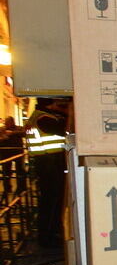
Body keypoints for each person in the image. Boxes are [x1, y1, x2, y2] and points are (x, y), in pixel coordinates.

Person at [25, 98, 70, 247]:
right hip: (49, 164)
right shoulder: (44, 118)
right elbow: (67, 128)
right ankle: (47, 237)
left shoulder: (38, 116)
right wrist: (66, 111)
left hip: (46, 163)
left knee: (50, 201)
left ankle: (49, 234)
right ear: (52, 103)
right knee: (51, 202)